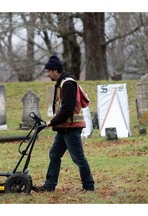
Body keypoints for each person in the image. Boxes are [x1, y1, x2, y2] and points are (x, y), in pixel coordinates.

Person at [33, 55, 95, 192]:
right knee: (54, 154)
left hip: (71, 128)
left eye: (48, 71)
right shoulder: (62, 83)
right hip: (64, 128)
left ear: (55, 70)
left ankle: (89, 186)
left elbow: (67, 109)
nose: (48, 75)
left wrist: (51, 122)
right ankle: (49, 186)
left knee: (78, 158)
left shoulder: (67, 84)